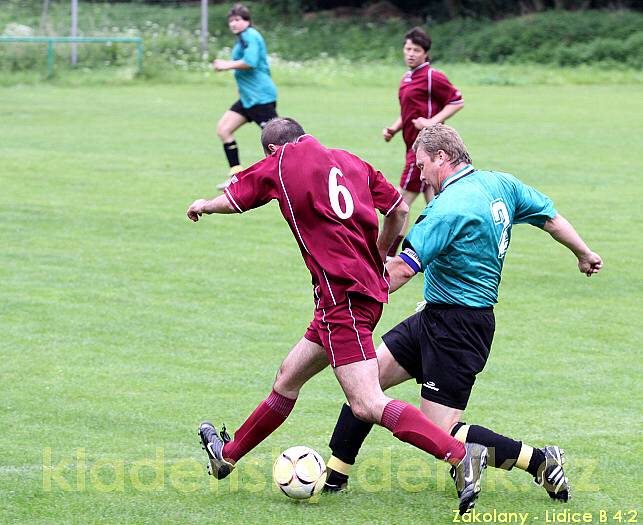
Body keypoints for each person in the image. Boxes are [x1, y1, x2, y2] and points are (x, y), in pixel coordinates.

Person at [187, 118, 489, 515]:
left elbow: (236, 195)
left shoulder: (280, 161)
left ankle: (458, 454)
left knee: (366, 402)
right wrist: (381, 252)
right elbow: (398, 207)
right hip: (358, 295)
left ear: (272, 150)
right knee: (288, 377)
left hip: (341, 299)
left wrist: (204, 205)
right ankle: (226, 456)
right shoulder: (350, 161)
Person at [324, 124, 603, 503]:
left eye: (422, 165)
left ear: (442, 157)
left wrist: (352, 300)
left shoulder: (446, 209)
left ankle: (541, 460)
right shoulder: (500, 184)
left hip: (459, 328)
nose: (420, 174)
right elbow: (550, 218)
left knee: (439, 429)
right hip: (435, 317)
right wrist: (584, 253)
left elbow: (403, 269)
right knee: (365, 384)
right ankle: (333, 478)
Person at [383, 27, 464, 257]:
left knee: (400, 202)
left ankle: (388, 255)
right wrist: (394, 128)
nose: (410, 53)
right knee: (438, 202)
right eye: (407, 49)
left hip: (424, 149)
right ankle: (446, 250)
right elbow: (407, 112)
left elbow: (457, 101)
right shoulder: (406, 78)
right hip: (412, 147)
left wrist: (432, 122)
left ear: (425, 53)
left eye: (416, 50)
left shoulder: (432, 77)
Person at [213, 3, 278, 190]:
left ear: (247, 21)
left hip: (261, 98)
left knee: (277, 141)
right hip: (248, 99)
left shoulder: (250, 35)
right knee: (223, 129)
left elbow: (250, 62)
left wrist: (226, 64)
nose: (233, 24)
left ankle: (289, 173)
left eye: (238, 20)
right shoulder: (242, 38)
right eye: (231, 20)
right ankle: (236, 176)